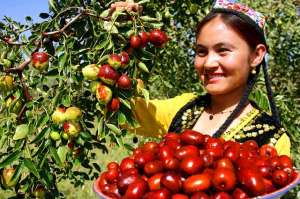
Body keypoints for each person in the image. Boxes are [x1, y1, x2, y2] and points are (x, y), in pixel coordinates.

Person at [113, 0, 291, 156]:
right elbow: (117, 108)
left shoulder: (273, 139)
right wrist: (124, 39)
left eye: (223, 51)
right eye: (201, 52)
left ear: (256, 56)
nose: (209, 63)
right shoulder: (183, 109)